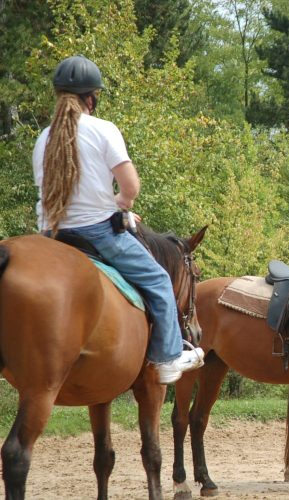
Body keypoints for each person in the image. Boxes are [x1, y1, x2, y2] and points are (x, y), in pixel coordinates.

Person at [32, 54, 204, 384]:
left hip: (50, 236)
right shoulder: (102, 130)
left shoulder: (43, 138)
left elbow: (60, 195)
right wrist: (121, 204)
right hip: (97, 233)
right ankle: (167, 356)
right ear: (91, 97)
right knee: (158, 280)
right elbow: (131, 187)